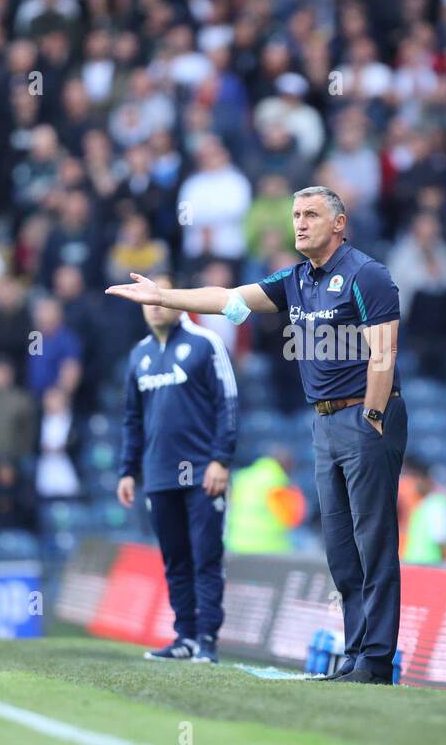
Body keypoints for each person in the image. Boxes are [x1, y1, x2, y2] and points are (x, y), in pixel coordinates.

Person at [109, 186, 407, 684]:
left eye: (311, 214)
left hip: (363, 417)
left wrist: (373, 419)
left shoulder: (367, 274)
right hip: (324, 421)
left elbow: (384, 353)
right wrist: (163, 296)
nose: (300, 223)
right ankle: (357, 654)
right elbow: (227, 301)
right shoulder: (295, 280)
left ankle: (376, 660)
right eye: (295, 215)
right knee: (339, 546)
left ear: (339, 223)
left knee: (372, 541)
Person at [117, 272, 238, 664]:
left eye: (159, 297)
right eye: (146, 300)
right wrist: (127, 470)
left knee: (206, 557)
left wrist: (221, 459)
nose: (153, 305)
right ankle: (185, 636)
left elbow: (228, 404)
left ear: (173, 299)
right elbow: (132, 419)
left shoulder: (206, 344)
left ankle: (207, 640)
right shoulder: (138, 355)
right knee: (174, 559)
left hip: (203, 473)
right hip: (159, 476)